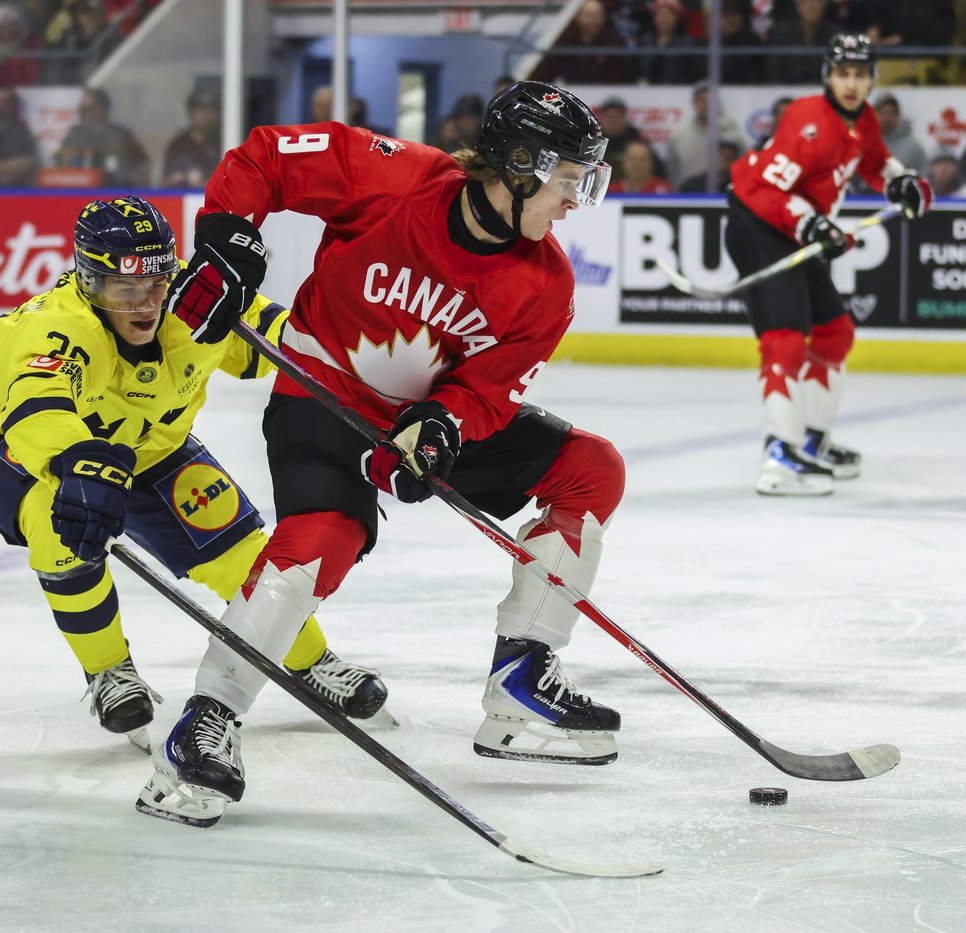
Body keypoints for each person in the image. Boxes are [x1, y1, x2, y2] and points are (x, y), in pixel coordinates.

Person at [138, 82, 625, 825]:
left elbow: (487, 389)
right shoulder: (395, 177)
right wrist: (227, 236)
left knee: (592, 467)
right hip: (322, 398)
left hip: (415, 422)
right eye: (568, 182)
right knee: (319, 541)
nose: (574, 202)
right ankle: (207, 718)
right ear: (519, 167)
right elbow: (267, 156)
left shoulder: (547, 285)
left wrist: (440, 425)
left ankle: (520, 681)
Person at [0, 196, 389, 752]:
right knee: (63, 530)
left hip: (149, 444)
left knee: (243, 552)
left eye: (156, 282)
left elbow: (285, 337)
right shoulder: (51, 330)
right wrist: (74, 462)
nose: (145, 302)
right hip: (12, 444)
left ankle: (310, 660)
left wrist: (365, 368)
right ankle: (109, 672)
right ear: (87, 281)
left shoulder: (192, 298)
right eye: (123, 288)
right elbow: (39, 407)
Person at [726, 34, 931, 496]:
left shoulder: (864, 121)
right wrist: (811, 224)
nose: (852, 83)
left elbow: (876, 162)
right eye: (843, 74)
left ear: (872, 78)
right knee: (786, 341)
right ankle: (778, 455)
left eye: (860, 75)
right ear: (828, 76)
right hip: (757, 226)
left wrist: (901, 181)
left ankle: (813, 442)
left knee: (834, 332)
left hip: (798, 229)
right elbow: (763, 191)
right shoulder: (806, 120)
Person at [54, 87, 150, 188]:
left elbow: (142, 162)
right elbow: (61, 161)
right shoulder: (75, 135)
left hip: (118, 189)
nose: (84, 114)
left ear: (102, 108)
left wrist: (136, 176)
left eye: (89, 109)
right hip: (82, 190)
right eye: (82, 110)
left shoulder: (121, 135)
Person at [666, 82, 743, 189]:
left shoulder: (732, 134)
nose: (707, 105)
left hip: (723, 193)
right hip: (688, 195)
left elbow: (743, 168)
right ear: (694, 103)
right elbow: (672, 173)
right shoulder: (679, 137)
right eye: (702, 100)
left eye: (711, 101)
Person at [160, 90, 223, 187]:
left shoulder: (224, 142)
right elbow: (163, 182)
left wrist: (205, 184)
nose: (206, 116)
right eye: (201, 110)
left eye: (210, 110)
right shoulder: (179, 145)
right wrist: (177, 179)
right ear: (191, 112)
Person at [766, 0, 837, 85]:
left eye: (817, 2)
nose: (811, 7)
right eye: (806, 2)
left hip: (822, 89)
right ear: (797, 7)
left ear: (824, 6)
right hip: (786, 90)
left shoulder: (834, 34)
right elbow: (773, 70)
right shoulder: (783, 34)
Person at [609, 139, 674, 193]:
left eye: (642, 159)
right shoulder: (611, 190)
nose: (637, 164)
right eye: (632, 159)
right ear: (623, 161)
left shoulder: (663, 189)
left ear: (651, 162)